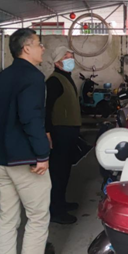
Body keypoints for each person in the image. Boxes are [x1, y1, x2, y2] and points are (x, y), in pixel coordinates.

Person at [0, 29, 51, 254]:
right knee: (38, 216)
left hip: (0, 159)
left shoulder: (0, 78)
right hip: (25, 160)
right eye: (39, 44)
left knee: (6, 217)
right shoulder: (32, 77)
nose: (42, 48)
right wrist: (42, 154)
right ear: (26, 48)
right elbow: (30, 118)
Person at [45, 46, 82, 225]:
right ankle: (55, 210)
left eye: (71, 56)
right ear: (57, 62)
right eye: (66, 57)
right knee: (58, 172)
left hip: (69, 131)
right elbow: (46, 109)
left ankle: (61, 202)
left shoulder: (66, 77)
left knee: (65, 170)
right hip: (59, 132)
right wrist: (47, 133)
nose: (70, 60)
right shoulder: (54, 81)